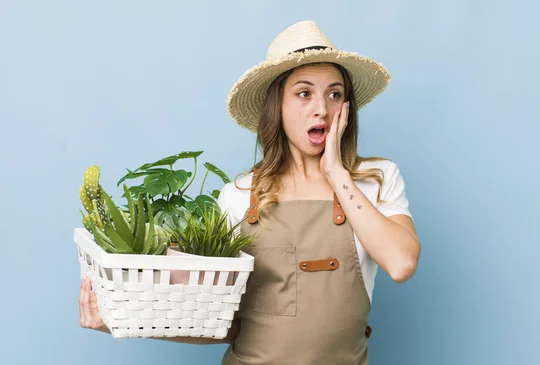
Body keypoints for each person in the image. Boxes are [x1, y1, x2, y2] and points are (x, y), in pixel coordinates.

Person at [79, 20, 420, 364]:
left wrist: (336, 173)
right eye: (304, 93)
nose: (322, 108)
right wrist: (117, 319)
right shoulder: (239, 195)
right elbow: (218, 323)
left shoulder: (374, 180)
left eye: (335, 94)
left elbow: (401, 263)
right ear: (278, 106)